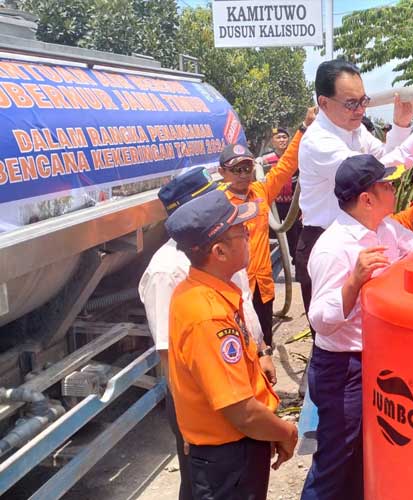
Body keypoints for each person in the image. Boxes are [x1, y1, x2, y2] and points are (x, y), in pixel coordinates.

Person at [138, 168, 274, 500]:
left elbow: (242, 303)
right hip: (204, 403)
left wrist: (261, 350)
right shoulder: (167, 271)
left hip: (235, 380)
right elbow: (169, 352)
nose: (224, 200)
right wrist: (188, 424)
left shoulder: (222, 255)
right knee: (207, 483)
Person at [296, 59, 413, 336]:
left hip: (361, 234)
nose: (360, 110)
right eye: (351, 103)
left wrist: (402, 125)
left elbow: (380, 158)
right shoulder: (319, 142)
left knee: (367, 332)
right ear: (324, 102)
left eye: (363, 100)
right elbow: (380, 173)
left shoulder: (354, 130)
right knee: (333, 334)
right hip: (326, 240)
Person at [301, 154, 413, 500]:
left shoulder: (386, 229)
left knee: (364, 457)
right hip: (343, 369)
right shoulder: (334, 248)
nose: (393, 188)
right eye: (385, 184)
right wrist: (354, 282)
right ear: (367, 198)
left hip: (375, 362)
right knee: (335, 461)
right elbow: (320, 320)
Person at [166, 189, 298, 500]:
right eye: (241, 231)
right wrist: (286, 432)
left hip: (231, 452)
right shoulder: (208, 314)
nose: (250, 233)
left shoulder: (204, 291)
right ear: (219, 252)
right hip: (228, 460)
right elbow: (242, 412)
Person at [219, 107, 315, 349]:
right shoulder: (217, 204)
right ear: (223, 173)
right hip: (234, 290)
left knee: (265, 347)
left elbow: (286, 166)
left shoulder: (261, 192)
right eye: (236, 170)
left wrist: (303, 128)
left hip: (262, 288)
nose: (243, 174)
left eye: (247, 168)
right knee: (240, 349)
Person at [261, 127, 303, 260]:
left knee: (296, 237)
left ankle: (298, 267)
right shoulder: (264, 160)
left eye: (284, 137)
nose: (282, 140)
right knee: (272, 239)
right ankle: (275, 265)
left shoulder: (297, 158)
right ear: (272, 141)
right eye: (278, 137)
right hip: (274, 205)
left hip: (293, 205)